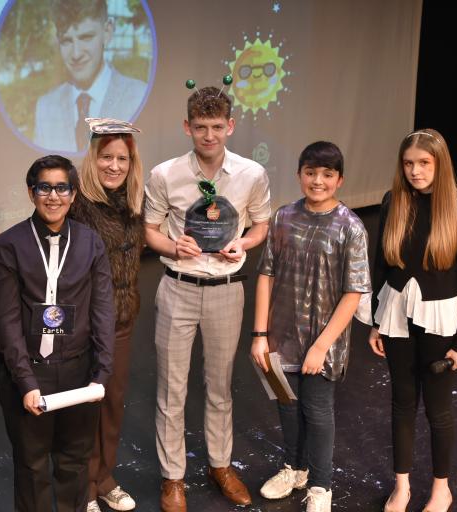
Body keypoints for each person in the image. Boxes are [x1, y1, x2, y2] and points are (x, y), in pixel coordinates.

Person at [143, 86, 271, 511]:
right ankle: (173, 477)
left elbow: (259, 225)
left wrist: (245, 245)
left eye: (217, 127)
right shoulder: (165, 174)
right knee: (171, 389)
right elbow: (150, 231)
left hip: (225, 291)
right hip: (178, 286)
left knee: (220, 387)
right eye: (201, 127)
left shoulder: (252, 174)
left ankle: (220, 465)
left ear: (230, 126)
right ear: (187, 127)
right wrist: (170, 246)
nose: (210, 135)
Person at [366, 129, 457, 512]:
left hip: (441, 322)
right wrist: (375, 319)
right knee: (402, 401)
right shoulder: (393, 202)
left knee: (438, 408)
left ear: (439, 163)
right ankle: (401, 486)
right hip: (397, 314)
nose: (415, 171)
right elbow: (381, 265)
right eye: (408, 163)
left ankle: (442, 489)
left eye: (424, 163)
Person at [0, 154, 115, 512]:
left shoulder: (90, 242)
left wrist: (101, 374)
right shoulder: (8, 245)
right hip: (28, 371)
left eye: (62, 188)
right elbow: (8, 320)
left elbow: (103, 309)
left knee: (75, 463)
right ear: (31, 192)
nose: (53, 196)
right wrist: (26, 382)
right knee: (32, 465)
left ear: (73, 194)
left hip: (78, 370)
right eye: (45, 187)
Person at [250, 142, 371, 512]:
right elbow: (266, 274)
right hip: (279, 337)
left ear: (339, 180)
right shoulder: (283, 217)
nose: (317, 181)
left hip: (323, 342)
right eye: (310, 172)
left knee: (317, 412)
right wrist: (259, 335)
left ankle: (321, 486)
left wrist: (321, 346)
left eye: (327, 174)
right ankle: (295, 468)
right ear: (300, 174)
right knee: (287, 406)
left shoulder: (350, 227)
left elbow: (353, 293)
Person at [69, 121, 145, 512]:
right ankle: (84, 486)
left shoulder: (134, 201)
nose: (114, 166)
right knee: (88, 404)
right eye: (106, 157)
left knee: (113, 400)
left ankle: (105, 478)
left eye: (123, 158)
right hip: (84, 324)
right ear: (92, 158)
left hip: (122, 320)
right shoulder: (75, 202)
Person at [33, 0, 148, 153]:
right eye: (66, 41)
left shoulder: (139, 96)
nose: (76, 54)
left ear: (107, 32)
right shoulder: (46, 107)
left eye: (86, 37)